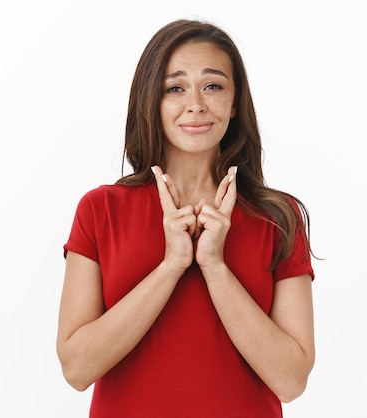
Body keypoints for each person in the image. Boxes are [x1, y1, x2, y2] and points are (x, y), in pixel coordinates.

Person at [56, 19, 315, 417]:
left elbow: (291, 380)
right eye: (174, 88)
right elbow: (76, 368)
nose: (195, 103)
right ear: (151, 102)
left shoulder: (278, 218)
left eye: (212, 85)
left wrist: (213, 264)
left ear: (234, 102)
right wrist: (172, 265)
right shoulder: (100, 209)